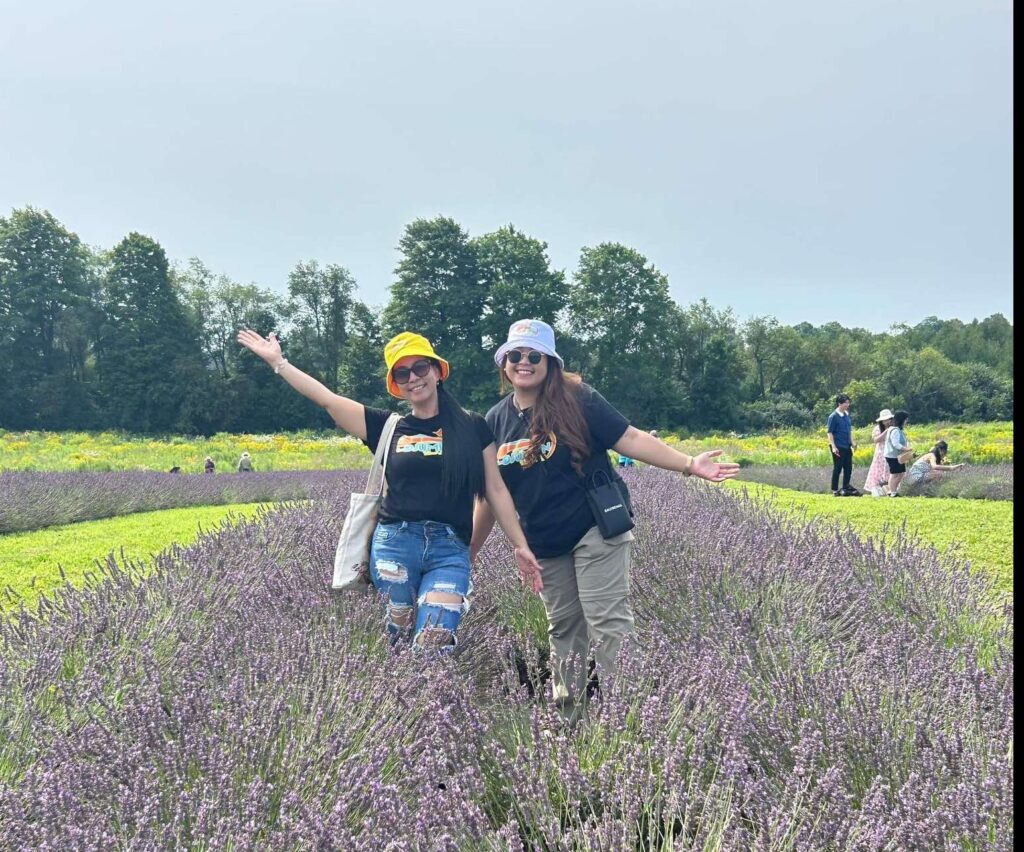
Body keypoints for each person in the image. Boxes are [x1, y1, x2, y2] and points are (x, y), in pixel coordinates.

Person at [471, 319, 739, 721]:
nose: (523, 363)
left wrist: (687, 465)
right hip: (543, 541)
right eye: (515, 355)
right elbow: (492, 496)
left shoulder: (577, 398)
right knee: (563, 628)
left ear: (550, 362)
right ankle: (569, 717)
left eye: (533, 355)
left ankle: (630, 715)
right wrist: (467, 554)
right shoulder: (494, 421)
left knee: (607, 623)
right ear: (504, 363)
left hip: (594, 527)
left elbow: (628, 438)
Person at [237, 328, 543, 652]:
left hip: (450, 551)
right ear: (396, 384)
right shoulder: (388, 427)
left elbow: (495, 490)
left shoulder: (472, 426)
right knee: (396, 642)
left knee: (433, 643)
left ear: (437, 371)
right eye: (402, 372)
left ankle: (425, 699)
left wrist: (520, 545)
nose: (413, 377)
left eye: (420, 368)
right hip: (395, 545)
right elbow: (327, 400)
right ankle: (403, 701)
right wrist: (279, 363)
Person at [897, 440, 966, 495]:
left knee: (940, 474)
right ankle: (925, 491)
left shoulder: (935, 457)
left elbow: (940, 469)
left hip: (917, 477)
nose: (944, 454)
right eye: (944, 452)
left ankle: (926, 491)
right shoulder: (931, 455)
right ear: (940, 450)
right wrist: (952, 467)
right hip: (914, 477)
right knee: (938, 474)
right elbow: (935, 467)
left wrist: (955, 468)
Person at [826, 394, 858, 496]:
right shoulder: (833, 416)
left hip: (846, 445)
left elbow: (849, 431)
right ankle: (835, 490)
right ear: (839, 403)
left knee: (848, 468)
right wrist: (834, 447)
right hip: (837, 446)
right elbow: (830, 433)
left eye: (848, 403)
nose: (847, 405)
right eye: (845, 403)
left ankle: (846, 487)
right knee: (838, 468)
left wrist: (852, 442)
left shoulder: (846, 415)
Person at [864, 408, 894, 496]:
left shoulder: (894, 428)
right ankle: (877, 489)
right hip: (881, 453)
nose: (886, 422)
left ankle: (889, 489)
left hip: (891, 452)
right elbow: (876, 440)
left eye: (888, 420)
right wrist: (886, 431)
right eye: (884, 420)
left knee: (890, 470)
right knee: (878, 471)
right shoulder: (877, 428)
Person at [883, 410, 913, 496]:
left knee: (901, 473)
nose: (906, 421)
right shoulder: (895, 430)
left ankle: (893, 491)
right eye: (906, 419)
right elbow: (895, 444)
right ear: (902, 420)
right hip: (892, 456)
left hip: (897, 455)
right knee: (895, 474)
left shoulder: (897, 429)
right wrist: (906, 449)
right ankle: (892, 492)